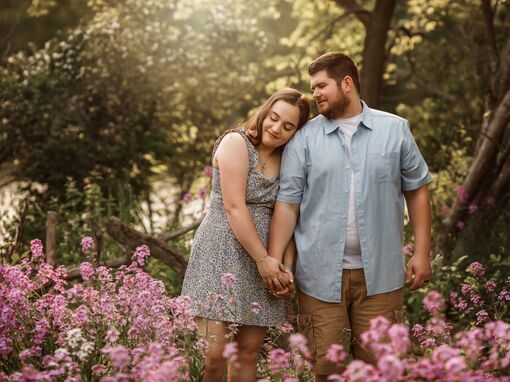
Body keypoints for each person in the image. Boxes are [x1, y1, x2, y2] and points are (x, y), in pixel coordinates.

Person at [268, 52, 432, 380]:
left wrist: (423, 252)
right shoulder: (304, 139)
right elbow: (288, 203)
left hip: (382, 277)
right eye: (312, 87)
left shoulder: (395, 130)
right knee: (328, 370)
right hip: (319, 279)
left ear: (346, 83)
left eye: (321, 86)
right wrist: (274, 261)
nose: (314, 94)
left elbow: (417, 190)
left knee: (382, 370)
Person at [181, 88, 310, 382]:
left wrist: (284, 268)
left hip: (266, 260)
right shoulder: (235, 143)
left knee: (248, 352)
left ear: (296, 132)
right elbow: (234, 207)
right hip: (221, 251)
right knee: (215, 355)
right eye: (274, 118)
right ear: (265, 112)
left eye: (288, 126)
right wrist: (263, 259)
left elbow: (288, 213)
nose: (276, 129)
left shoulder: (288, 159)